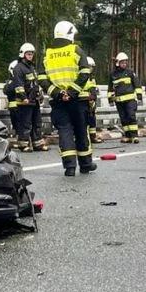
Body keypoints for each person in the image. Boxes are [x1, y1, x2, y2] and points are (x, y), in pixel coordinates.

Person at [42, 21, 95, 176]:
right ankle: (85, 164)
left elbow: (42, 79)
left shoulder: (47, 54)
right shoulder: (76, 50)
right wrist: (71, 92)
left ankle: (70, 167)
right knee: (80, 131)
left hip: (58, 102)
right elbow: (85, 73)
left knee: (65, 131)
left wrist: (58, 93)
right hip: (78, 100)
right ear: (70, 33)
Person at [6, 43, 47, 151]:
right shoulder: (18, 68)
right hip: (25, 101)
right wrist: (24, 97)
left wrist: (40, 94)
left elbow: (35, 83)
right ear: (22, 54)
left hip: (34, 100)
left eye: (31, 54)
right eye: (28, 54)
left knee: (37, 122)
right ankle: (23, 144)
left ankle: (37, 143)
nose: (30, 56)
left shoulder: (32, 68)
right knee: (25, 124)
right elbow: (18, 85)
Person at [108, 53, 142, 143]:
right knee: (123, 118)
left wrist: (139, 96)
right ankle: (127, 136)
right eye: (122, 62)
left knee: (131, 116)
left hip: (130, 100)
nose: (124, 64)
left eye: (125, 62)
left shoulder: (130, 72)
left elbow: (137, 84)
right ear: (118, 63)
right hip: (119, 101)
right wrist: (110, 99)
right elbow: (110, 88)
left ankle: (134, 136)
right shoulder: (113, 74)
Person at [80, 56, 100, 145]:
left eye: (92, 67)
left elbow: (93, 90)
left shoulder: (92, 78)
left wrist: (93, 99)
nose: (91, 69)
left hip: (91, 102)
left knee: (92, 119)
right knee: (83, 120)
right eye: (89, 66)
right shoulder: (81, 77)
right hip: (82, 100)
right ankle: (84, 137)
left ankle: (93, 136)